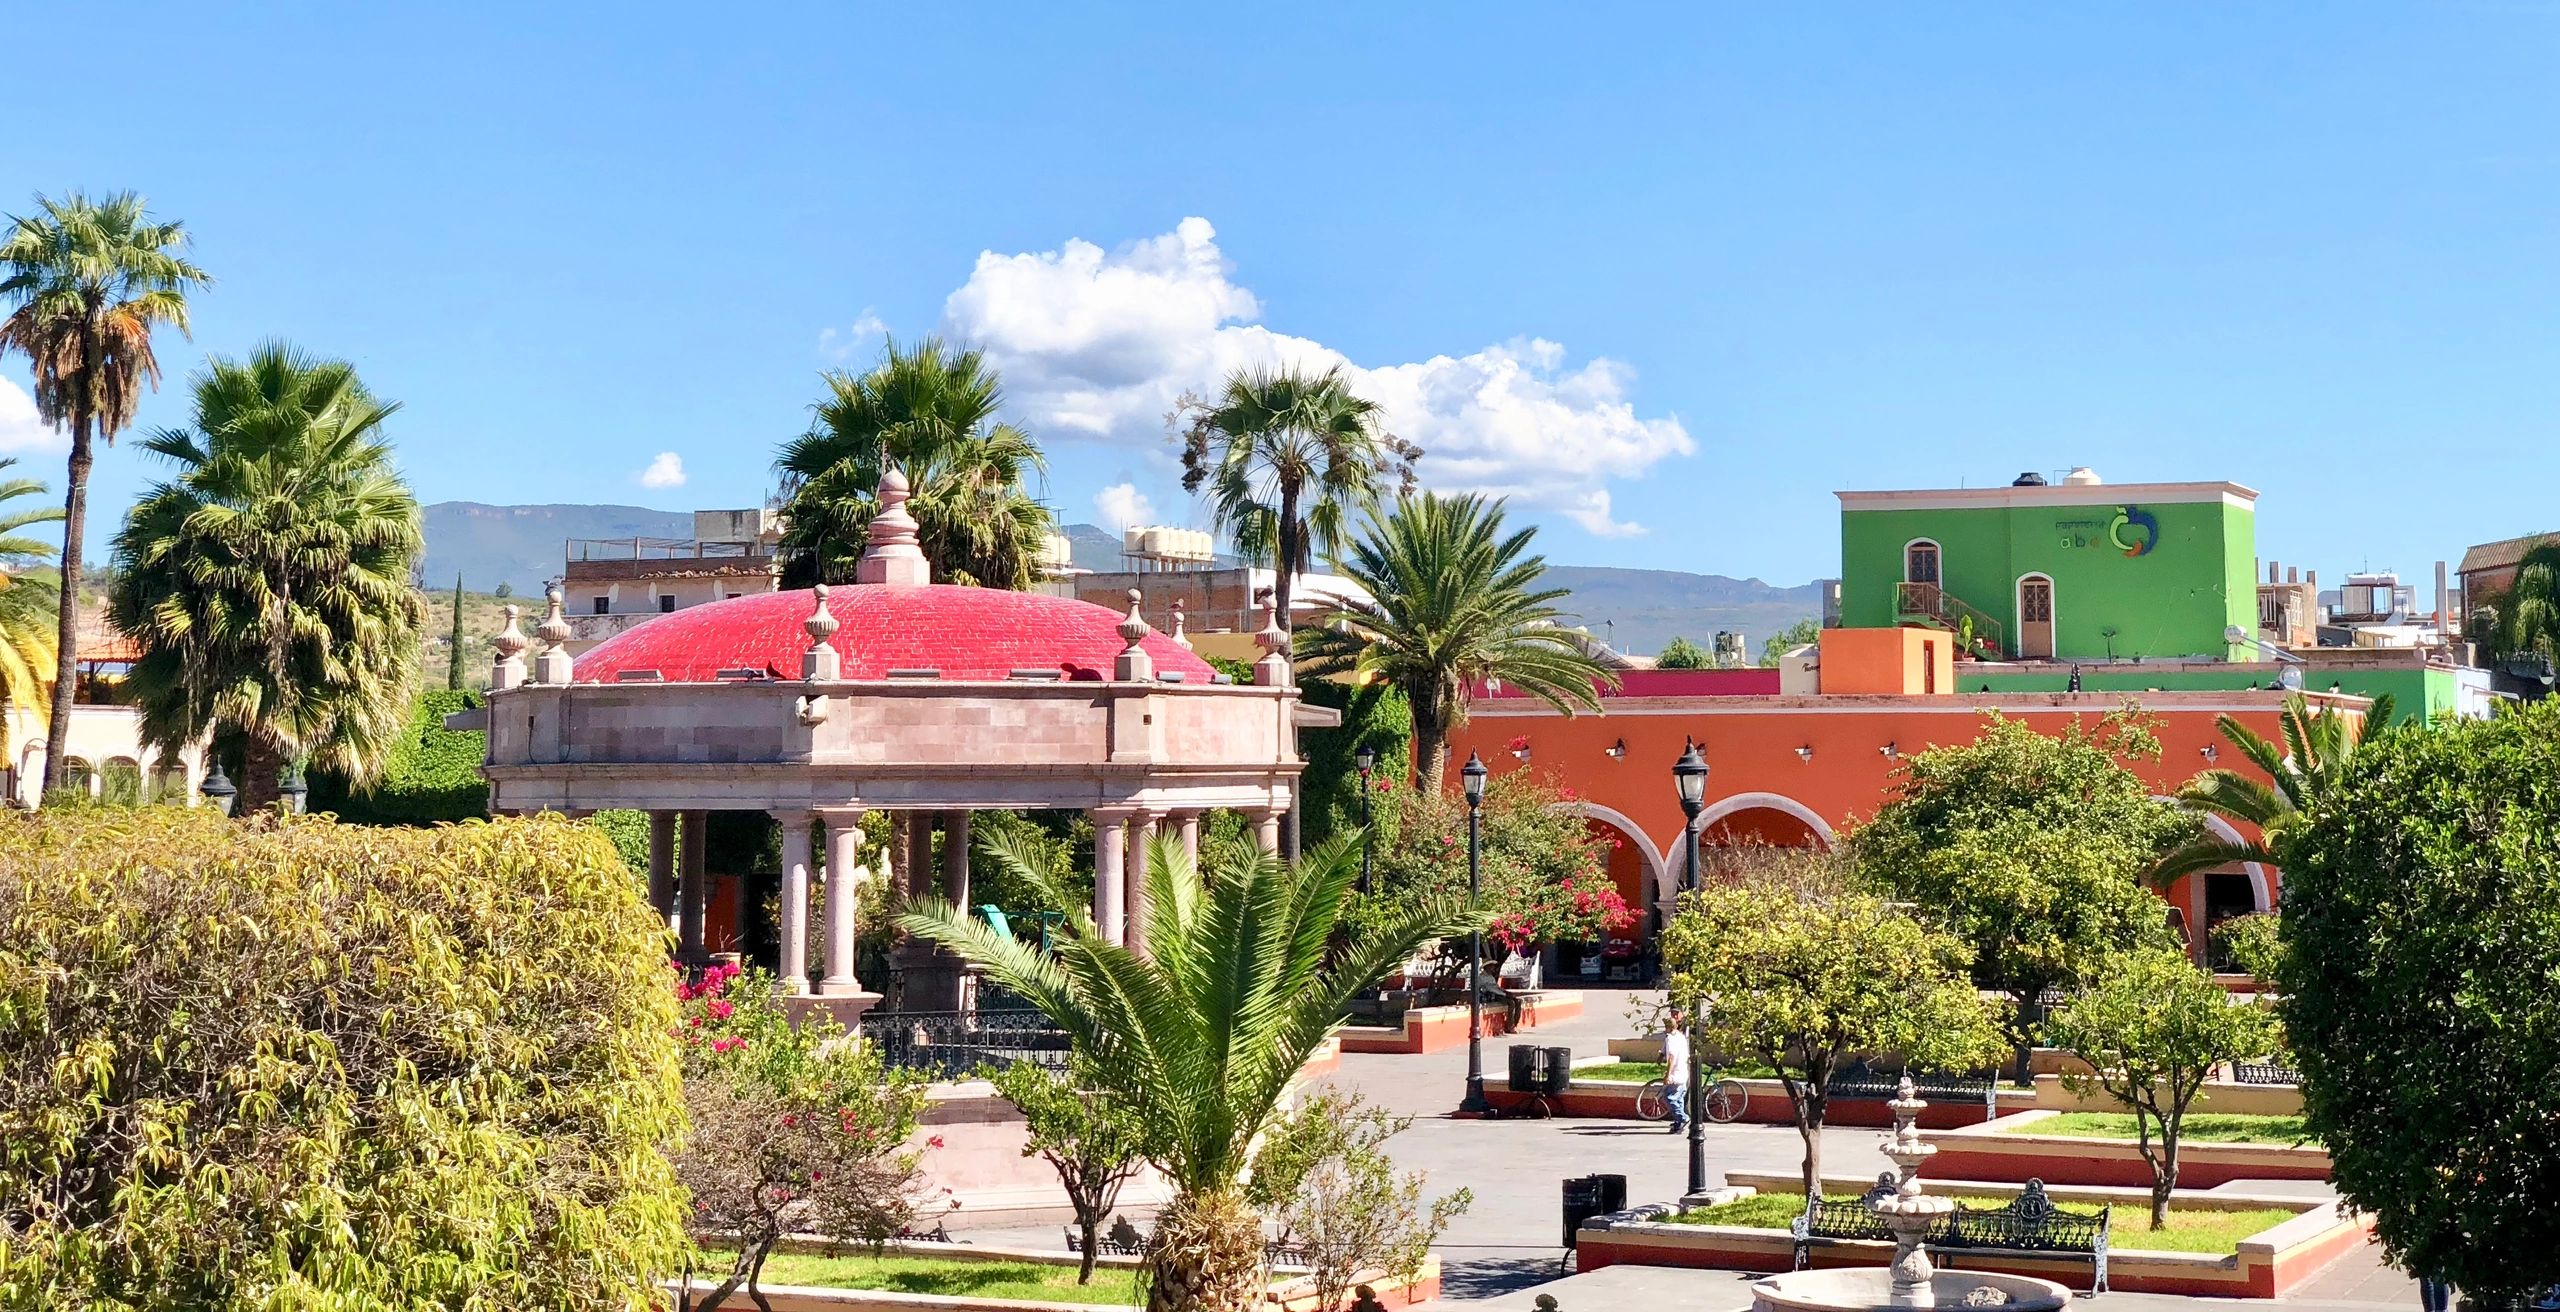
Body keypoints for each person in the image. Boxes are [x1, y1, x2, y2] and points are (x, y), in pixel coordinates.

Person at [1662, 1020, 1690, 1135]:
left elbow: (1672, 1057)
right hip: (1683, 1073)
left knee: (1669, 1097)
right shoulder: (1681, 1037)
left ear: (1668, 1027)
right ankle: (1678, 1124)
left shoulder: (1671, 1039)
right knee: (1679, 1099)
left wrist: (1668, 1075)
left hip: (1676, 1074)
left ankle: (1683, 1118)